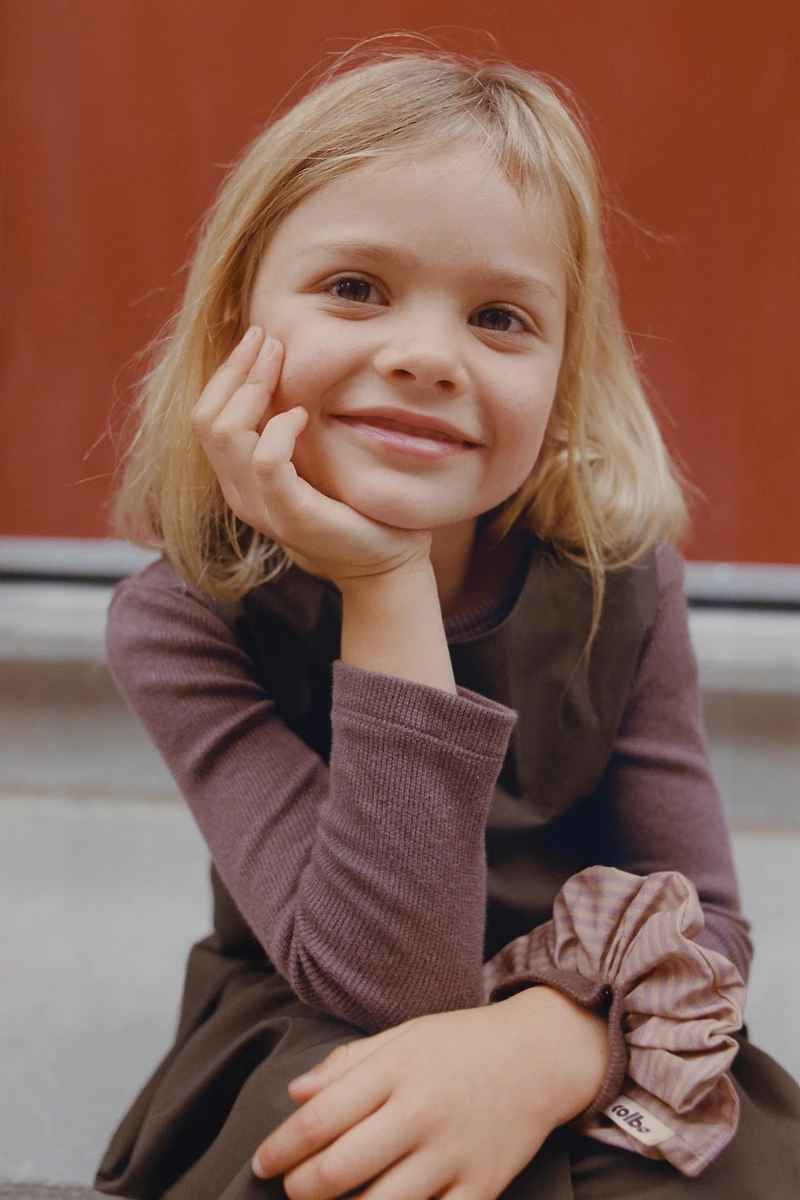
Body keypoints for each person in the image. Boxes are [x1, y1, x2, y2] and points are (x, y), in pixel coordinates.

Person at [94, 48, 800, 1200]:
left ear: (564, 372)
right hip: (320, 1015)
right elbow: (383, 981)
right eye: (355, 288)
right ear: (235, 319)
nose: (425, 356)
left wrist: (548, 1049)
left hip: (591, 1023)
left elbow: (706, 928)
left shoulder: (621, 587)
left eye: (499, 316)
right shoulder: (183, 620)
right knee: (369, 1144)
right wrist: (384, 584)